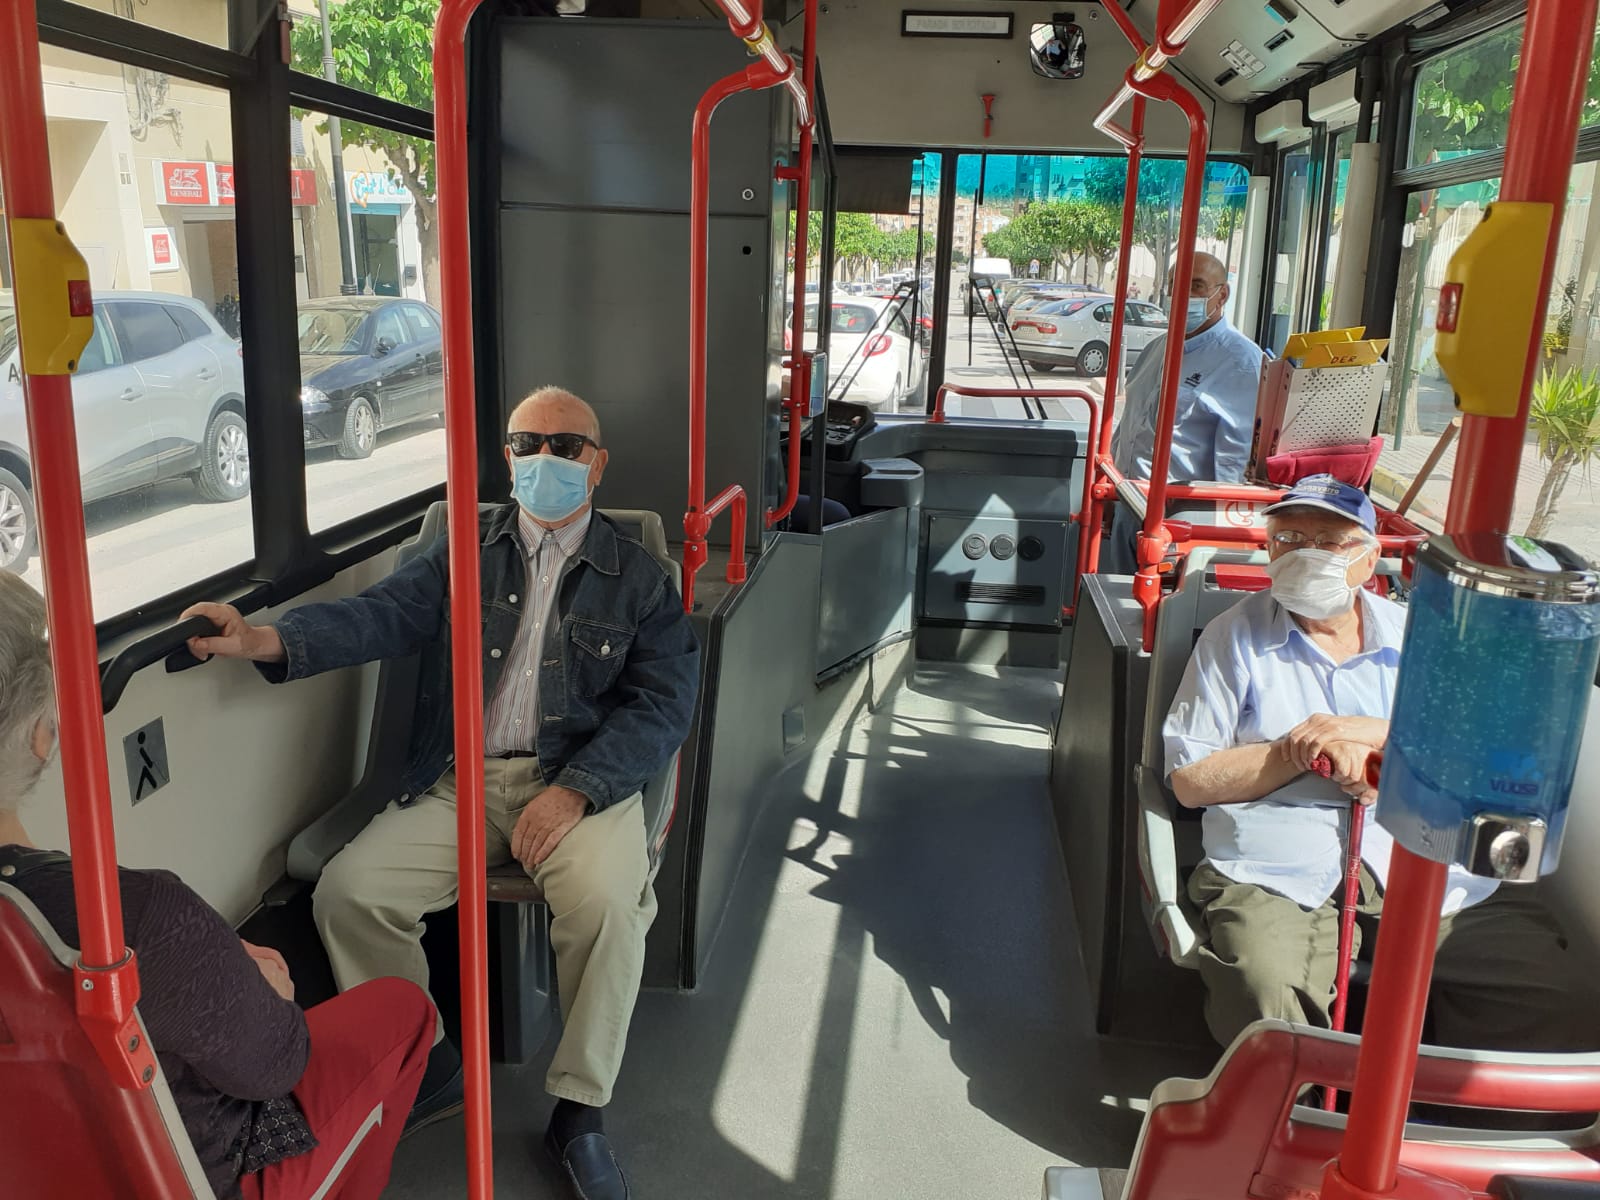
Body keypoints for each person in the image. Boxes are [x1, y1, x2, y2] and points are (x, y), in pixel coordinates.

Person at [184, 386, 700, 1200]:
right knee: (351, 894)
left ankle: (579, 1109)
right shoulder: (465, 552)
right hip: (463, 779)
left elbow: (664, 702)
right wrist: (265, 638)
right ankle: (428, 1060)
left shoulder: (638, 579)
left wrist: (577, 791)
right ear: (506, 458)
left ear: (597, 466)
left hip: (579, 781)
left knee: (607, 906)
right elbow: (382, 616)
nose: (545, 460)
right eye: (527, 443)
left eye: (567, 448)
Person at [0, 572, 433, 1200]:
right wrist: (268, 996)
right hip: (191, 1175)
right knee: (403, 1008)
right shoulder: (129, 920)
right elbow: (275, 1064)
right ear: (41, 737)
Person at [1164, 475, 1600, 1051]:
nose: (1305, 553)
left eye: (1330, 540)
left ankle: (1473, 1123)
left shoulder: (1425, 636)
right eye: (1289, 537)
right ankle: (1294, 1121)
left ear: (1369, 562)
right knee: (1264, 989)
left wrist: (1370, 737)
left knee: (1555, 992)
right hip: (1278, 869)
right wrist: (1298, 751)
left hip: (1428, 862)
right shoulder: (1233, 638)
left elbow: (1475, 755)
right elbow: (1191, 781)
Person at [1104, 251, 1267, 575]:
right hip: (1130, 503)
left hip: (1182, 520)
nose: (1183, 296)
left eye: (1196, 286)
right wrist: (1112, 492)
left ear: (1222, 295)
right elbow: (1131, 422)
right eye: (1175, 285)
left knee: (1167, 618)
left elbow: (1233, 460)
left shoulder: (1241, 361)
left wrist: (1218, 542)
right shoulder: (1157, 348)